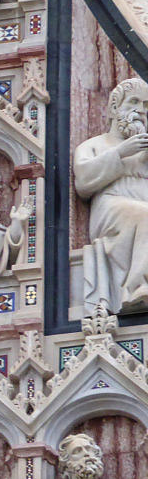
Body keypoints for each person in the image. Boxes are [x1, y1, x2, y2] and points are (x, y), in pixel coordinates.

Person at [75, 77, 148, 314]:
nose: (141, 111)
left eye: (146, 105)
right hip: (111, 210)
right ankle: (137, 287)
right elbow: (84, 181)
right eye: (134, 102)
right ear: (115, 108)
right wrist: (120, 152)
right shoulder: (94, 145)